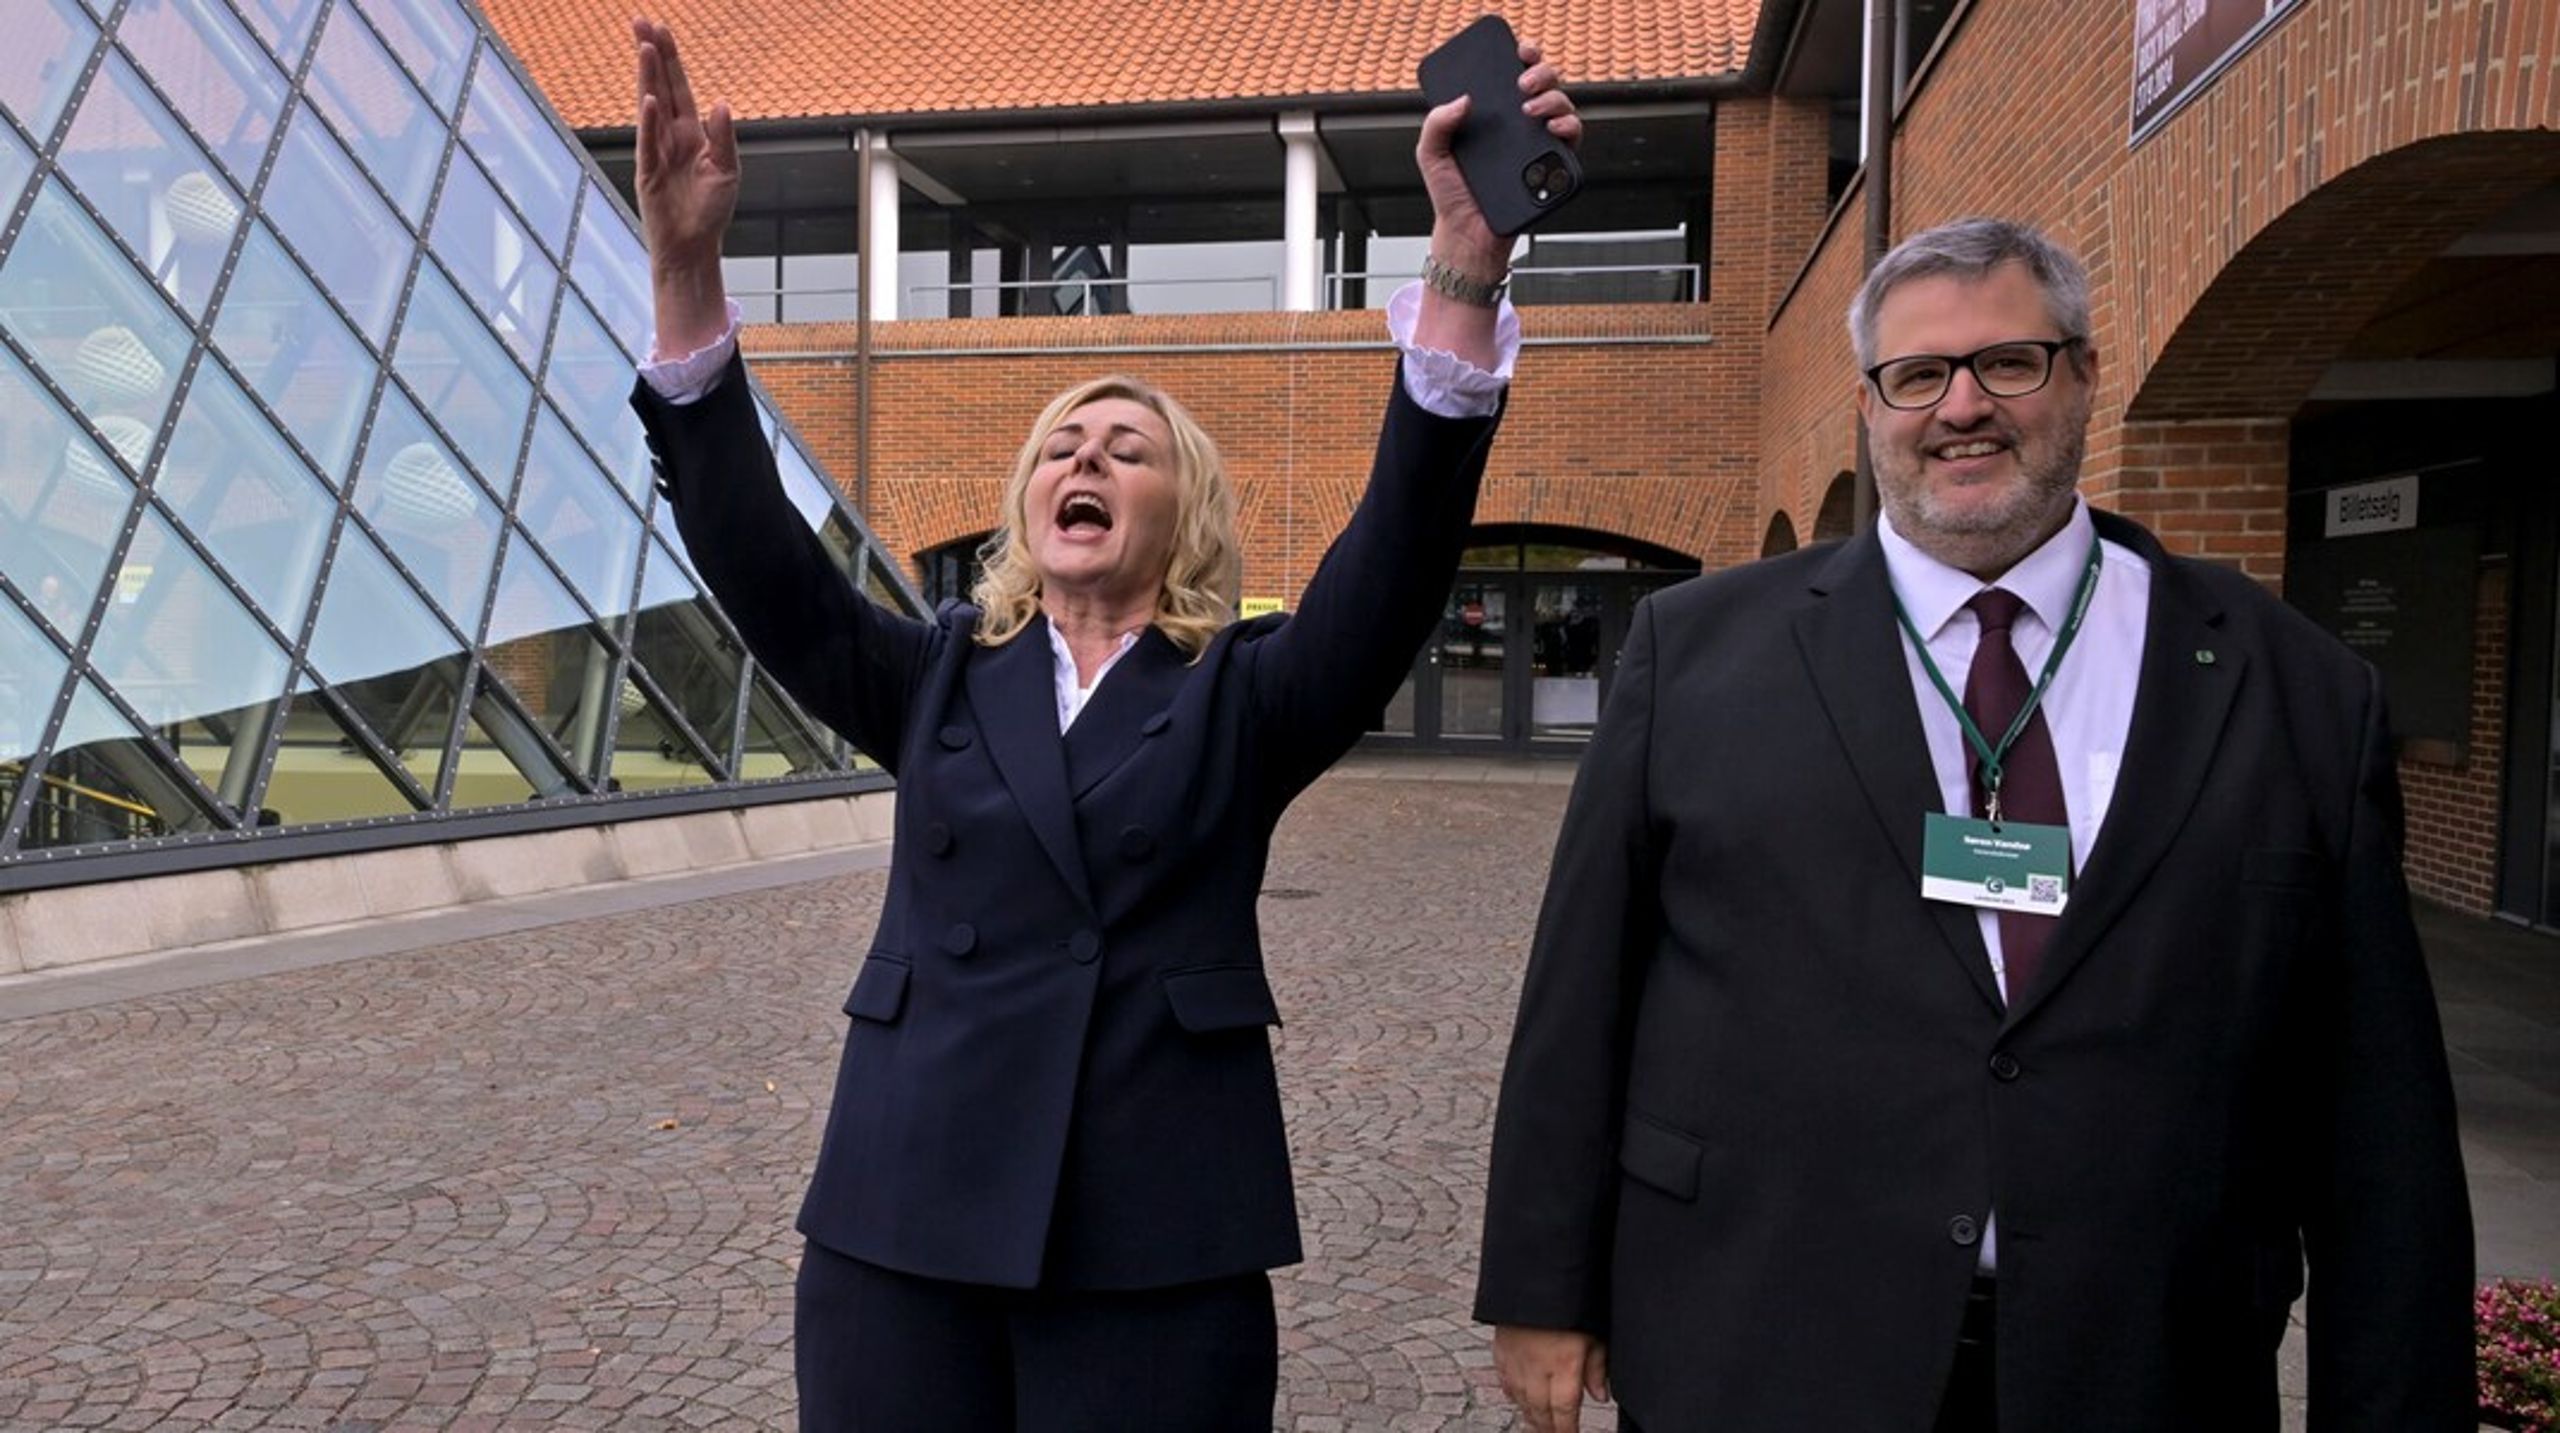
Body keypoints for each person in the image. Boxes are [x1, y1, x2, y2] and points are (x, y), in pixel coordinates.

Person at [624, 18, 1579, 1429]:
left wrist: (1462, 268)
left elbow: (1394, 565)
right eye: (1063, 447)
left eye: (1125, 450)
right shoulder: (939, 671)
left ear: (1177, 512)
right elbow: (764, 564)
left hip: (1155, 1237)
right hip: (905, 1225)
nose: (1085, 458)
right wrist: (687, 270)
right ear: (1028, 507)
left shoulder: (1245, 694)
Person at [1474, 217, 2475, 1432]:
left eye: (2008, 362)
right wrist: (1540, 1284)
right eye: (1917, 376)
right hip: (1765, 1333)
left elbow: (2377, 1109)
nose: (1961, 407)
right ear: (1869, 402)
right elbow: (1582, 989)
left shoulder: (2294, 686)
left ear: (2084, 374)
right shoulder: (1695, 652)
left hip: (2146, 1357)